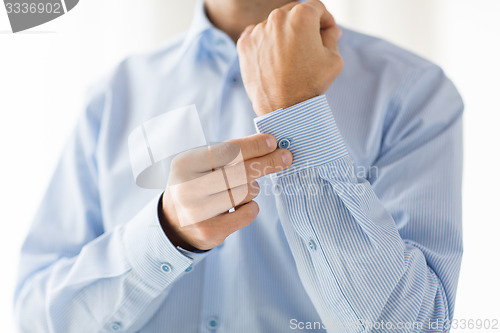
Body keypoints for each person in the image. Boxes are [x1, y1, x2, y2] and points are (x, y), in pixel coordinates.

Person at [14, 0, 463, 332]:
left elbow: (414, 327)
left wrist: (296, 113)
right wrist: (164, 235)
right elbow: (35, 318)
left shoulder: (412, 93)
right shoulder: (114, 93)